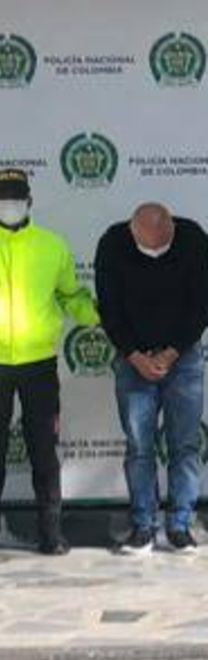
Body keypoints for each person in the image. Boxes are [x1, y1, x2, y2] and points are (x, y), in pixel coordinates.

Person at [0, 168, 99, 557]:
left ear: (30, 202)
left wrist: (98, 315)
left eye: (17, 199)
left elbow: (70, 296)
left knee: (44, 452)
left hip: (39, 364)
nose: (10, 205)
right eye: (3, 199)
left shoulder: (52, 246)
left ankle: (51, 535)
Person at [95, 203, 208, 556]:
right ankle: (143, 526)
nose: (157, 253)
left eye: (163, 246)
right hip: (133, 359)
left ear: (172, 229)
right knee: (139, 446)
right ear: (133, 232)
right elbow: (109, 309)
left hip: (183, 356)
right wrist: (135, 356)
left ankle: (180, 525)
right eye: (149, 247)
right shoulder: (113, 243)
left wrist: (171, 353)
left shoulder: (193, 239)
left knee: (184, 444)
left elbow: (202, 306)